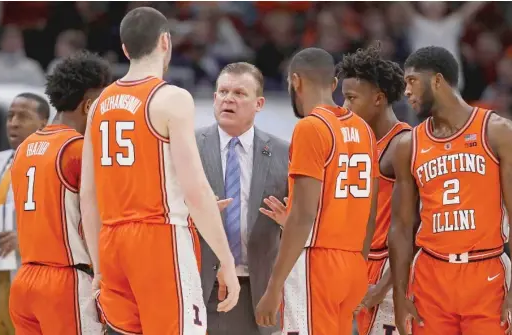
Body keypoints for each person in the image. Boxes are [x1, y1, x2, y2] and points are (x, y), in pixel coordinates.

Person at [80, 7, 240, 335]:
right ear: (165, 41)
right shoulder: (171, 98)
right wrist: (226, 260)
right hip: (158, 237)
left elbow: (88, 192)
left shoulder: (98, 105)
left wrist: (98, 265)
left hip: (111, 242)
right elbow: (195, 188)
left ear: (125, 49)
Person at [255, 47, 379, 335]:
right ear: (334, 85)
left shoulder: (311, 128)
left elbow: (303, 215)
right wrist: (359, 267)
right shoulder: (364, 129)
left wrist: (274, 287)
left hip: (317, 263)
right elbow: (370, 212)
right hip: (353, 264)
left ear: (295, 81)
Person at [389, 45, 512, 335]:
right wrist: (398, 295)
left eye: (411, 81)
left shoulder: (496, 131)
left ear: (437, 80)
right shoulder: (409, 145)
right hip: (431, 274)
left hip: (486, 271)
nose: (406, 91)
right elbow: (401, 226)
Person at [9, 51, 111, 335]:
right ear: (90, 105)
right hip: (65, 281)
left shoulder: (24, 149)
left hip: (25, 280)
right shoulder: (78, 150)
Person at [196, 62, 289, 335]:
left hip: (260, 287)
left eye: (239, 93)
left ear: (259, 103)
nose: (229, 98)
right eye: (223, 92)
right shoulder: (189, 146)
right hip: (202, 284)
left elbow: (304, 219)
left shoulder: (284, 152)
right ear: (214, 98)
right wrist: (196, 214)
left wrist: (288, 221)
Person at [336, 45, 411, 335]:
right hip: (358, 263)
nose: (344, 106)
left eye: (351, 98)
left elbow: (414, 228)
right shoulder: (357, 142)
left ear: (378, 99)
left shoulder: (402, 145)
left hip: (388, 269)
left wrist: (382, 288)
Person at [0, 92, 49, 335]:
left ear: (44, 124)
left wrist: (25, 240)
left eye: (23, 116)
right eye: (10, 116)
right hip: (0, 271)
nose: (13, 123)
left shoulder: (53, 162)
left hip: (31, 270)